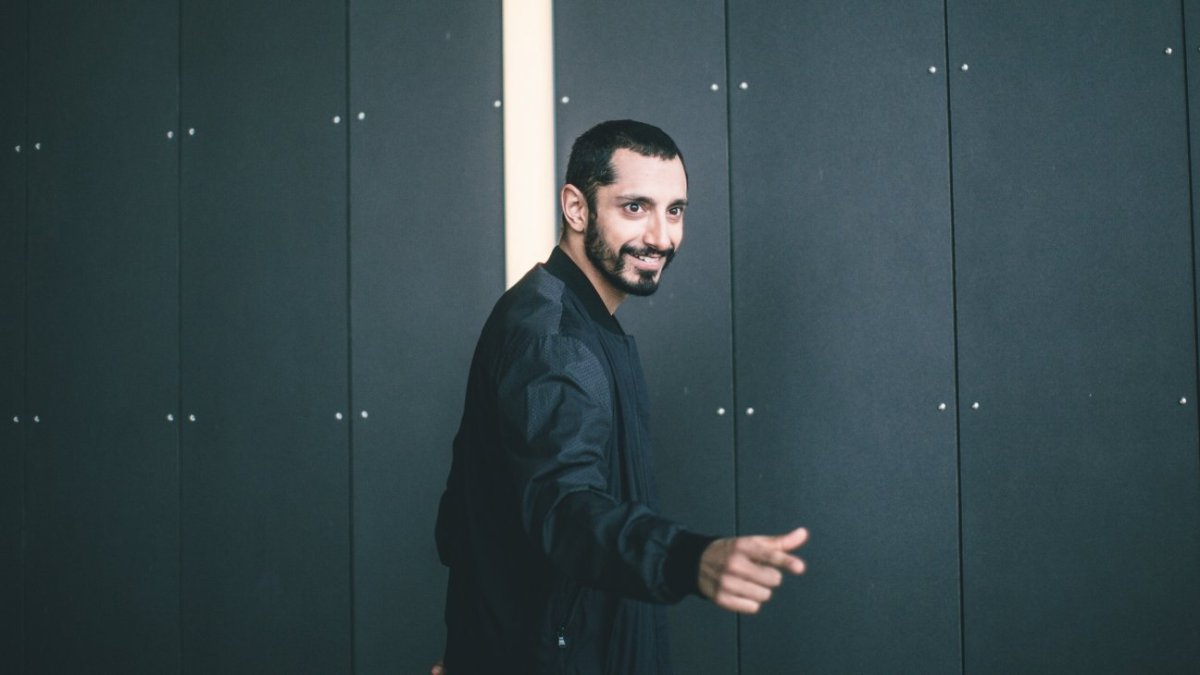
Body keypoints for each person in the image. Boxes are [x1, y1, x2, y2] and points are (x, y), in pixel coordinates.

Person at [434, 119, 808, 674]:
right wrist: (686, 559)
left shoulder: (581, 322)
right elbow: (565, 508)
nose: (661, 236)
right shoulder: (556, 339)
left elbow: (464, 514)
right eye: (635, 207)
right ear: (577, 208)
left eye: (674, 210)